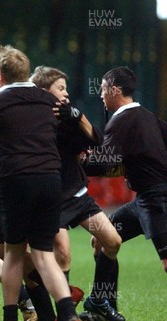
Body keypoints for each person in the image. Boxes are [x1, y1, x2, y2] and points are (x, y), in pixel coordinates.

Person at [0, 46, 78, 321]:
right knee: (44, 253)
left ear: (0, 75)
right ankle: (68, 314)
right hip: (50, 179)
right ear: (27, 72)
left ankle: (11, 315)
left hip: (15, 180)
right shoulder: (47, 100)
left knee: (13, 254)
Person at [30, 66, 124, 321]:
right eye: (61, 88)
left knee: (112, 241)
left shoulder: (68, 118)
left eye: (66, 88)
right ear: (43, 91)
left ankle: (98, 301)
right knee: (62, 253)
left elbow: (98, 144)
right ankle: (64, 312)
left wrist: (79, 117)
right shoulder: (30, 120)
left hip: (77, 194)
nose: (66, 93)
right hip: (51, 198)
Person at [86, 66, 167, 318]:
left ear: (115, 89)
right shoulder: (149, 117)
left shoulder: (122, 119)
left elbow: (103, 164)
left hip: (157, 199)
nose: (100, 95)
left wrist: (80, 159)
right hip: (145, 199)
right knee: (102, 238)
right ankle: (102, 306)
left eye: (102, 89)